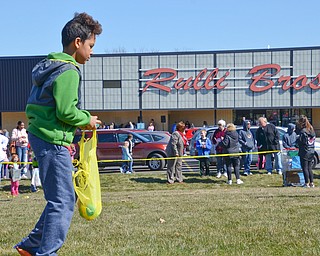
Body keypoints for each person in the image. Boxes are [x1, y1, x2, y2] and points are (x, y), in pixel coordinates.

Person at [14, 13, 102, 256]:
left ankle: (31, 246)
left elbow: (55, 109)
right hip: (52, 141)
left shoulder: (51, 66)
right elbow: (65, 111)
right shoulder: (69, 71)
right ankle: (46, 252)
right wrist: (87, 120)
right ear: (77, 43)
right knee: (62, 203)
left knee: (66, 195)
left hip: (44, 138)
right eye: (91, 46)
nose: (92, 52)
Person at [296, 115, 316, 188]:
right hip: (311, 150)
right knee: (309, 167)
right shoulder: (311, 129)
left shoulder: (303, 131)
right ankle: (312, 183)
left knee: (304, 167)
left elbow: (301, 141)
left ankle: (306, 183)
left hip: (304, 150)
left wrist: (297, 142)